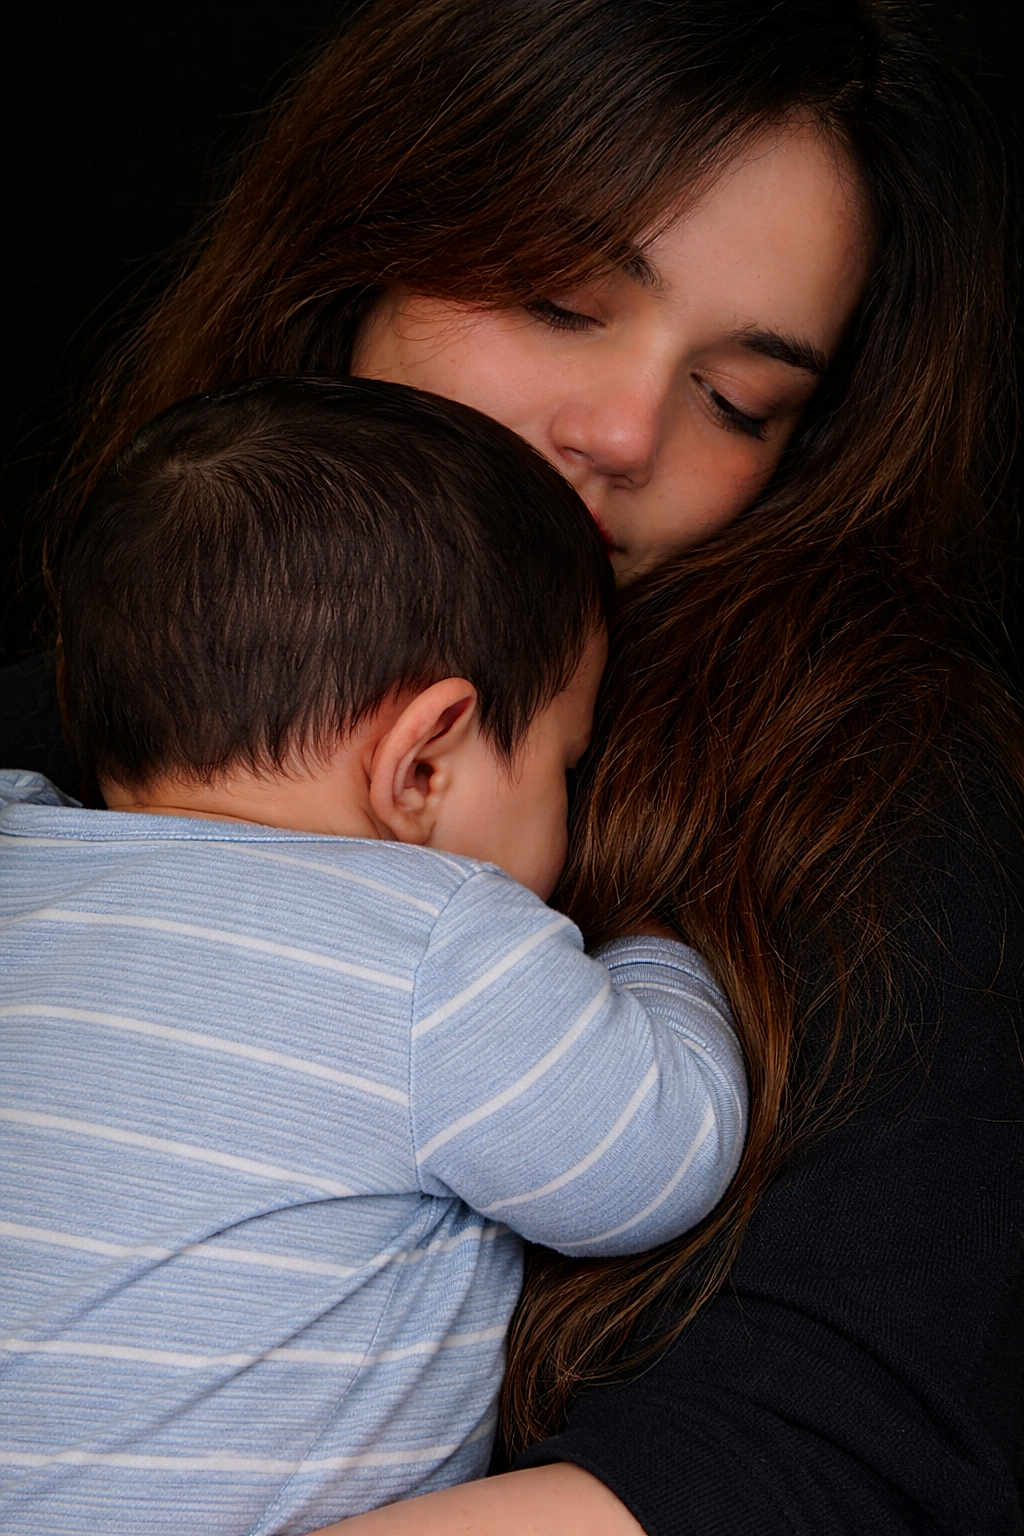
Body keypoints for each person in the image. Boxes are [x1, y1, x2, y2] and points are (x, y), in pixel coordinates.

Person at [2, 0, 1022, 1531]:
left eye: (740, 401)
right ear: (362, 239)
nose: (621, 430)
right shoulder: (47, 740)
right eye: (559, 300)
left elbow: (817, 1442)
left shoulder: (868, 789)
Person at [0, 374, 748, 1532]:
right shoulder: (432, 938)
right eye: (565, 760)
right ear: (424, 766)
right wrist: (648, 941)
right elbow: (658, 1154)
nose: (573, 800)